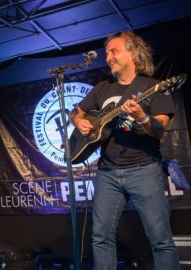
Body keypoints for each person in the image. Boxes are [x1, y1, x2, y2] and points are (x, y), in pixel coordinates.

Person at [69, 32, 180, 269]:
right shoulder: (102, 88)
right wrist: (79, 122)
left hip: (144, 169)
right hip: (107, 172)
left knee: (160, 240)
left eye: (114, 51)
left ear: (133, 53)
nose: (108, 57)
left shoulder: (153, 87)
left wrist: (141, 117)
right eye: (107, 52)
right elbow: (75, 113)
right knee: (101, 238)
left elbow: (159, 128)